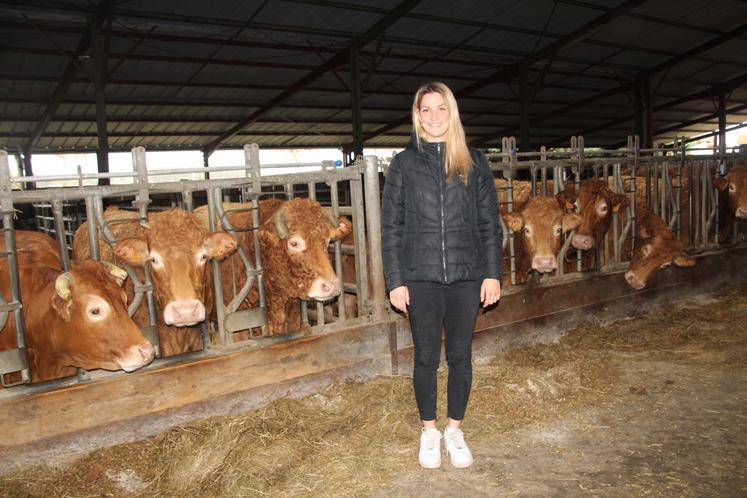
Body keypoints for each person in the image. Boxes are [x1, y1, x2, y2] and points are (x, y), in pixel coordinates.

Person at [381, 81, 503, 469]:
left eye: (441, 109)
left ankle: (454, 429)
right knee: (426, 357)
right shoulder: (403, 164)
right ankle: (429, 431)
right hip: (421, 276)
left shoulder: (474, 161)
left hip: (468, 276)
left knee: (461, 356)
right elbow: (392, 227)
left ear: (452, 113)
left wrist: (492, 273)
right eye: (426, 110)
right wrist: (396, 279)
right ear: (416, 116)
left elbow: (489, 223)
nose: (433, 117)